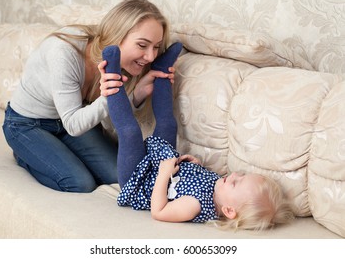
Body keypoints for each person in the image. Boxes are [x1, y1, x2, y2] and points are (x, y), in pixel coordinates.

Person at [104, 42, 295, 231]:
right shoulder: (219, 187)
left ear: (229, 210)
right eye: (242, 175)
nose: (235, 175)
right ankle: (162, 70)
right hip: (161, 163)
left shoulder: (195, 206)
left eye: (237, 183)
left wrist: (163, 174)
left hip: (138, 180)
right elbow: (192, 180)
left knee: (130, 132)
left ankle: (112, 77)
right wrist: (194, 165)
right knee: (168, 124)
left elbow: (159, 211)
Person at [2, 0, 175, 193]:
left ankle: (55, 151)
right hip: (27, 124)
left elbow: (108, 125)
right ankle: (24, 154)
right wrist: (109, 96)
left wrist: (136, 95)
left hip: (69, 123)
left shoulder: (122, 64)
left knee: (119, 174)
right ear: (117, 36)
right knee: (79, 182)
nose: (151, 56)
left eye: (156, 47)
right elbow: (74, 124)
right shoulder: (63, 53)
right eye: (142, 45)